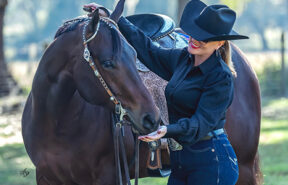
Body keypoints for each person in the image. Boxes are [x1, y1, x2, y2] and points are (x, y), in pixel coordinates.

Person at [84, 0, 249, 184]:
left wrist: (166, 130)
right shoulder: (182, 59)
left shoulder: (220, 77)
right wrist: (116, 17)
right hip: (181, 161)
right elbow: (148, 50)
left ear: (219, 43)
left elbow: (200, 123)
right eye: (194, 33)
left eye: (204, 37)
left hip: (212, 160)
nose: (195, 39)